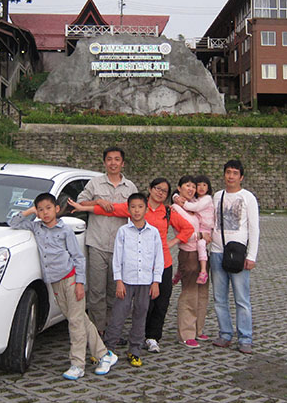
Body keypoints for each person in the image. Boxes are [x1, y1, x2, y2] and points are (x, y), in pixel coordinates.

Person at [70, 178, 194, 354]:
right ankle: (136, 336)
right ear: (150, 189)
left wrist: (171, 243)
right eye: (157, 188)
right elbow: (110, 210)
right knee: (142, 305)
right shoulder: (137, 207)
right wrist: (84, 208)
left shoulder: (168, 211)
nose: (160, 192)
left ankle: (152, 337)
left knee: (161, 303)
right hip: (138, 265)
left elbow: (187, 229)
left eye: (164, 191)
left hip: (162, 262)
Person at [8, 193, 117, 379]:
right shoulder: (36, 228)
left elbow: (78, 257)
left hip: (71, 279)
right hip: (55, 282)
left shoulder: (65, 230)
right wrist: (31, 210)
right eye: (41, 209)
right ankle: (104, 354)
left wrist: (80, 283)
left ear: (57, 209)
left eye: (48, 208)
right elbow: (13, 222)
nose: (45, 213)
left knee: (75, 322)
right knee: (78, 318)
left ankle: (77, 364)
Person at [75, 147, 138, 335]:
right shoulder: (94, 184)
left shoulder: (131, 187)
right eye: (109, 159)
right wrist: (98, 202)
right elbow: (80, 202)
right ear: (104, 162)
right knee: (96, 291)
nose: (113, 163)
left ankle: (112, 329)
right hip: (97, 244)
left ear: (123, 163)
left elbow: (137, 211)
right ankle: (97, 330)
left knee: (115, 291)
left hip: (121, 247)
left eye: (117, 159)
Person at [99, 193, 163, 367]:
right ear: (128, 209)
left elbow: (159, 258)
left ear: (145, 209)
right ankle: (108, 349)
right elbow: (117, 257)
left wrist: (156, 281)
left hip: (145, 281)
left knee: (140, 315)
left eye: (140, 207)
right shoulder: (123, 231)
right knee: (118, 315)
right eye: (133, 207)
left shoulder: (153, 232)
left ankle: (134, 350)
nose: (136, 210)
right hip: (126, 281)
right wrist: (118, 280)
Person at [209, 159, 260, 354]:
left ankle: (245, 337)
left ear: (241, 177)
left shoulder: (248, 198)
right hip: (217, 251)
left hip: (238, 253)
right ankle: (225, 333)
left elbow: (254, 228)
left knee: (241, 298)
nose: (231, 176)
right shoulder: (217, 196)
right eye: (228, 172)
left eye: (234, 173)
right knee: (219, 297)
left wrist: (252, 255)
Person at [171, 175, 214, 347]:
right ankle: (186, 333)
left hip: (202, 254)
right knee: (189, 293)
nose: (191, 189)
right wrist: (201, 235)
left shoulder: (195, 204)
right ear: (179, 188)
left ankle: (198, 329)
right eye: (186, 186)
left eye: (193, 186)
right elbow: (182, 236)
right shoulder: (175, 209)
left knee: (202, 293)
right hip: (188, 255)